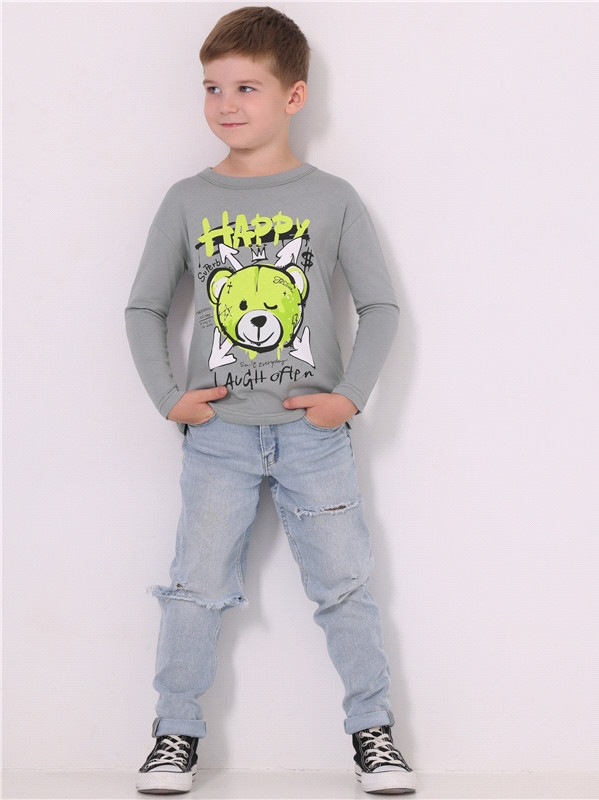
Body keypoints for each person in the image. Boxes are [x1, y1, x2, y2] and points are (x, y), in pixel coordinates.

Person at [125, 6, 416, 795]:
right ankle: (174, 733)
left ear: (293, 96)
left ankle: (373, 733)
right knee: (194, 588)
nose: (225, 103)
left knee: (344, 587)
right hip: (217, 433)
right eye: (211, 87)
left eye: (245, 87)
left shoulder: (333, 198)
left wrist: (346, 398)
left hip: (314, 437)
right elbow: (143, 306)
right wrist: (169, 398)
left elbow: (380, 307)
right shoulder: (186, 200)